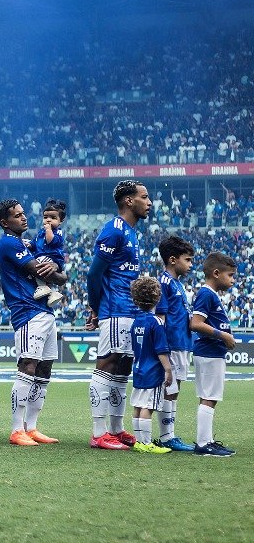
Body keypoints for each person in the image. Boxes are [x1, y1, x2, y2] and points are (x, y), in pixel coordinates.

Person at [0, 199, 66, 446]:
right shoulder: (8, 243)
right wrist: (52, 268)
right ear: (5, 222)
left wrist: (54, 266)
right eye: (17, 215)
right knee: (28, 366)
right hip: (27, 312)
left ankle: (32, 428)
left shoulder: (28, 243)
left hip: (45, 311)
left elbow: (60, 277)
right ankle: (16, 429)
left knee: (44, 370)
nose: (24, 218)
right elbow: (40, 270)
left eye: (24, 214)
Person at [86, 180, 150, 451]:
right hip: (114, 309)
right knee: (107, 364)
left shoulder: (132, 232)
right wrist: (96, 307)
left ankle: (116, 428)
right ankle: (98, 432)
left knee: (123, 368)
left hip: (130, 310)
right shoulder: (113, 230)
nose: (149, 203)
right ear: (128, 201)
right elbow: (93, 273)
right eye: (144, 197)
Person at [188, 252, 237, 457]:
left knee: (209, 397)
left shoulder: (211, 294)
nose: (233, 280)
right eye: (231, 275)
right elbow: (196, 324)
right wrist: (223, 335)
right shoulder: (207, 294)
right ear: (216, 273)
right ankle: (203, 444)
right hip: (209, 352)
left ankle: (206, 440)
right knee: (209, 396)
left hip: (212, 353)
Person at [154, 235, 196, 451]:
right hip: (172, 344)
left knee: (174, 389)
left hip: (182, 343)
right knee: (169, 388)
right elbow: (161, 318)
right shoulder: (164, 283)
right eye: (187, 260)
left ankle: (169, 435)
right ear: (172, 259)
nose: (190, 265)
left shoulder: (176, 283)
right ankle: (166, 436)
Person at [128, 276, 173, 454]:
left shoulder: (135, 322)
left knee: (138, 406)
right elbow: (161, 350)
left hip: (138, 369)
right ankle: (146, 443)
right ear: (156, 297)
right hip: (152, 371)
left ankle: (139, 441)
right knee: (149, 407)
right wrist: (168, 370)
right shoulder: (157, 322)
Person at [32, 199, 67, 307]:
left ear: (61, 221)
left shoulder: (58, 232)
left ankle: (43, 287)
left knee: (37, 266)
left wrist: (48, 230)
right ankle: (52, 294)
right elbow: (36, 243)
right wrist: (30, 244)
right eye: (45, 217)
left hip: (52, 259)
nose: (48, 220)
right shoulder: (41, 232)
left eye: (53, 218)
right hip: (43, 256)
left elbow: (50, 240)